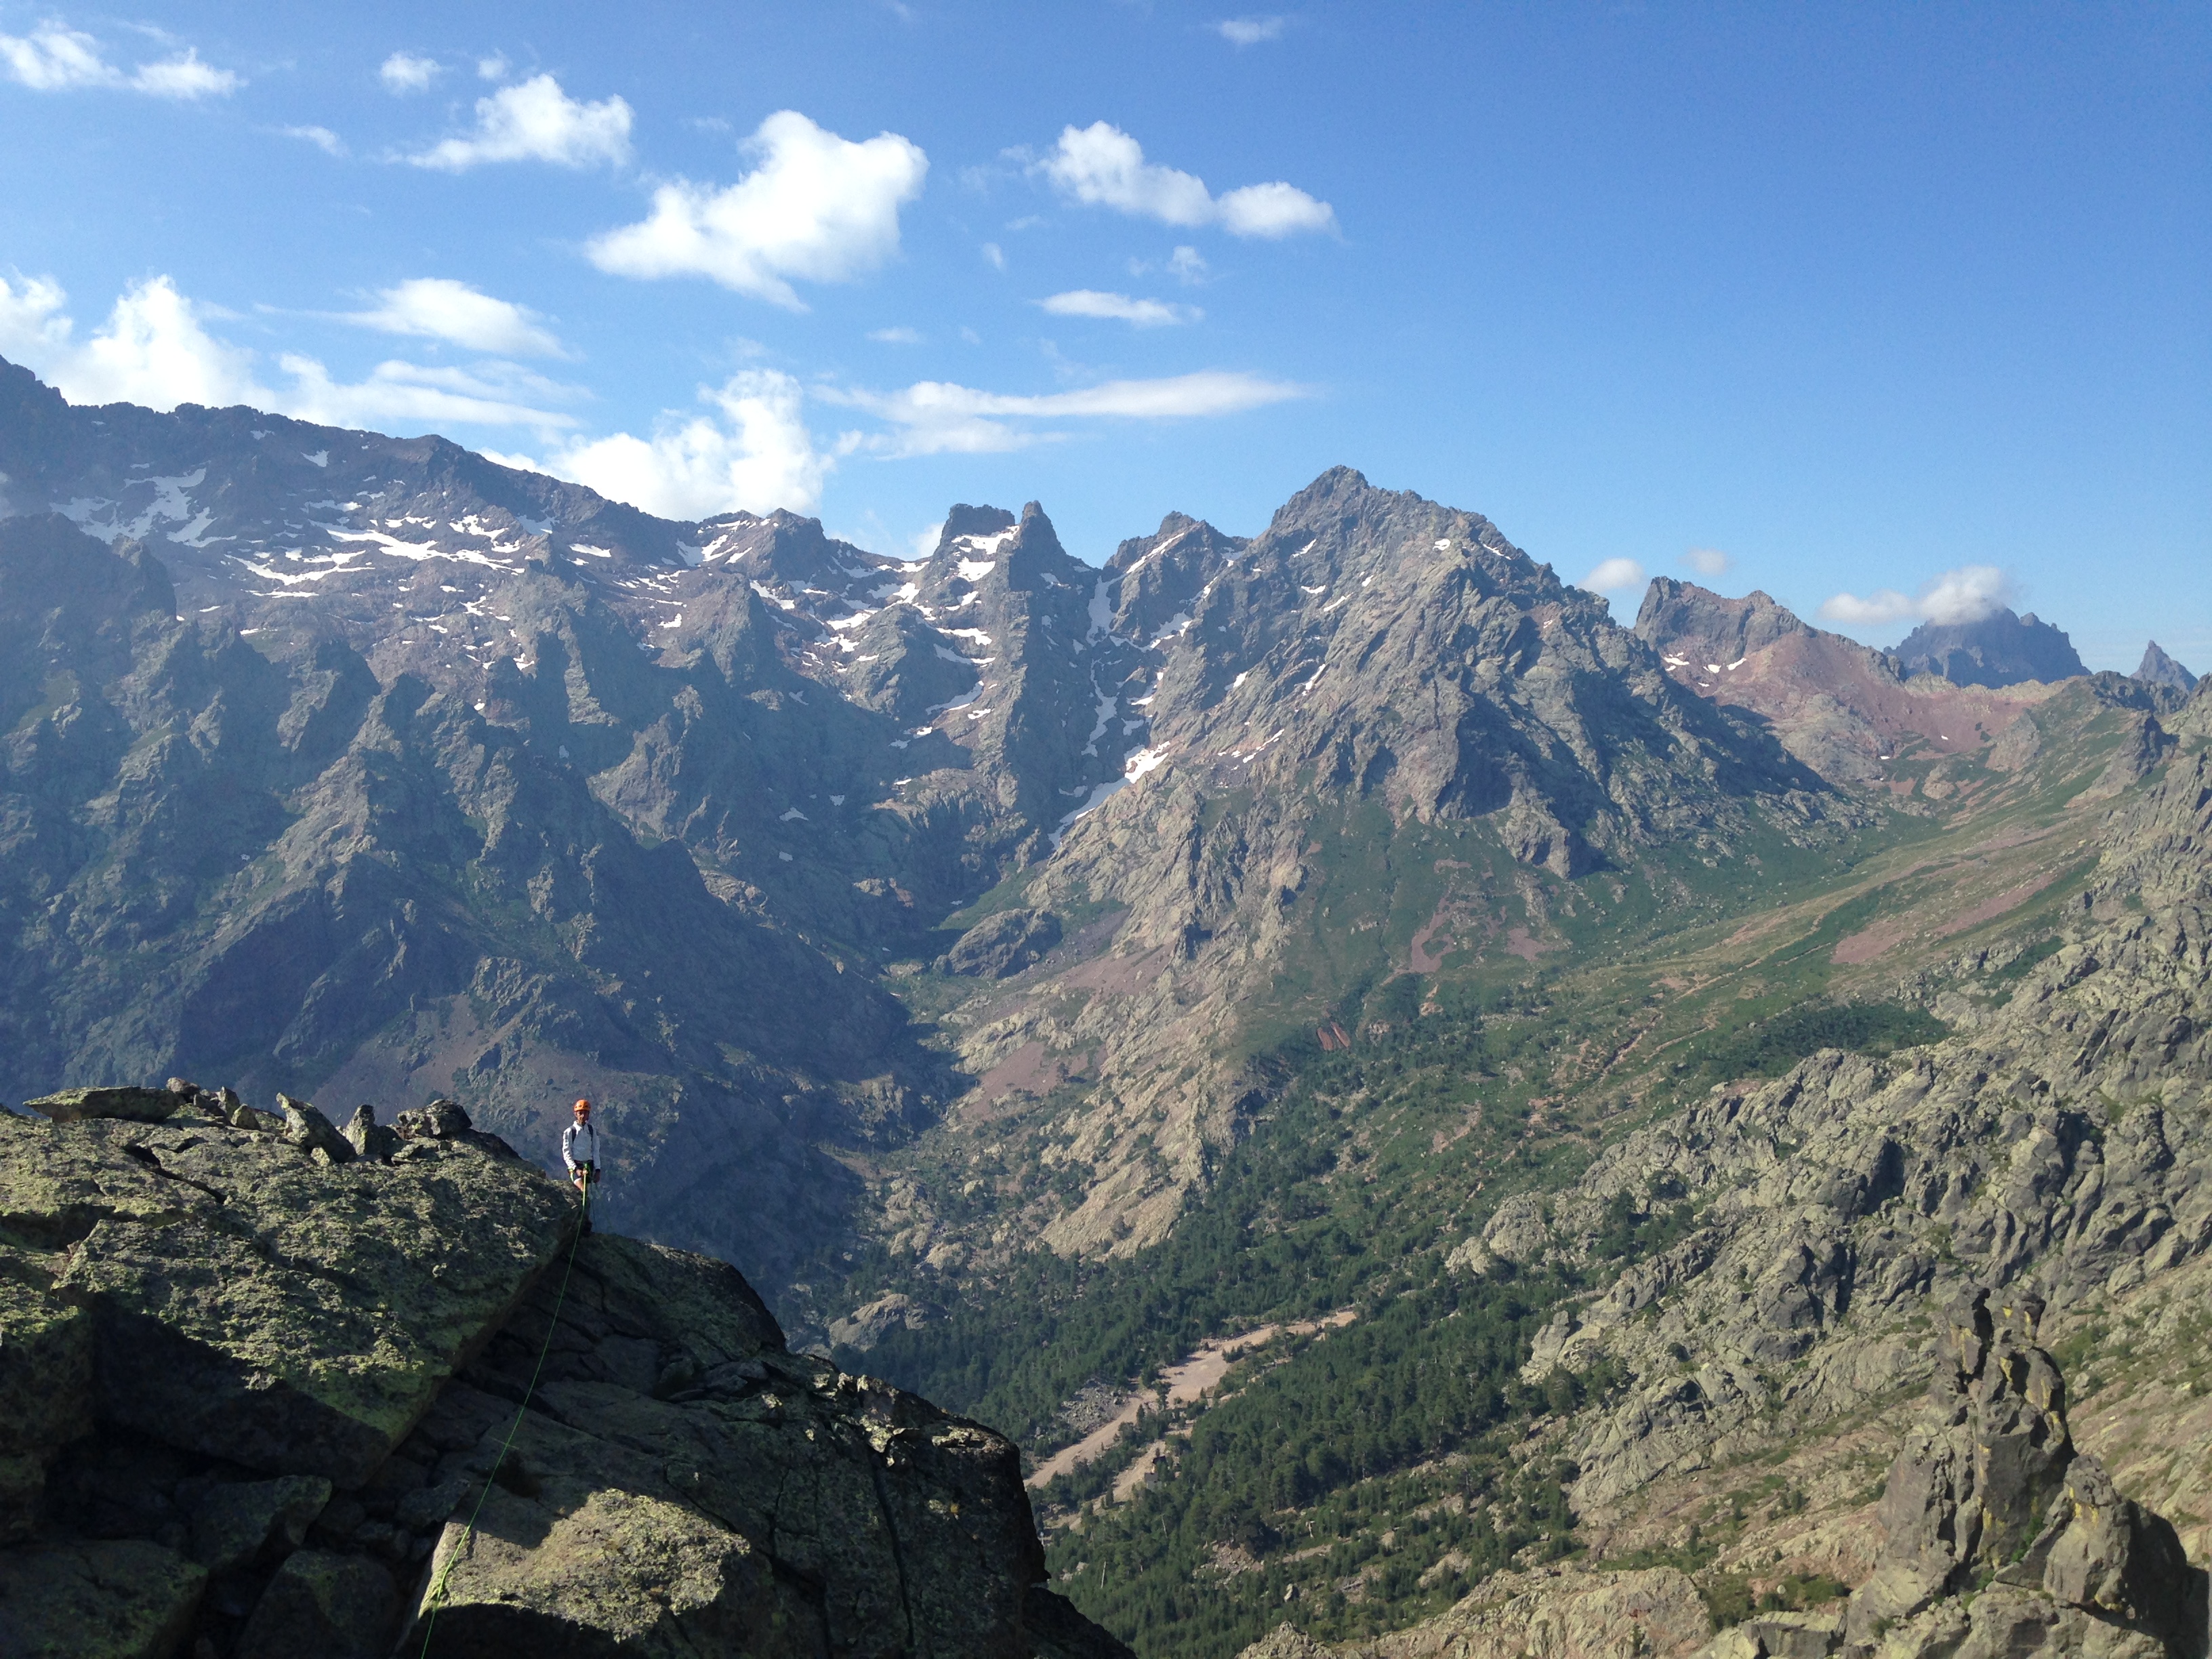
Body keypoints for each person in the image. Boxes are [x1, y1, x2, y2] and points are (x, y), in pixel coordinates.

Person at [560, 1097, 600, 1235]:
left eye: (585, 1113)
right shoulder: (570, 1132)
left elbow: (596, 1150)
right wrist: (575, 1169)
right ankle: (583, 1222)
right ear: (576, 1114)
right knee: (583, 1191)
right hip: (576, 1166)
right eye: (580, 1113)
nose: (583, 1116)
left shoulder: (591, 1130)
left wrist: (598, 1170)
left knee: (586, 1193)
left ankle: (584, 1221)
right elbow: (566, 1153)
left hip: (588, 1166)